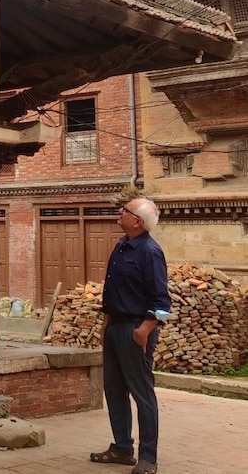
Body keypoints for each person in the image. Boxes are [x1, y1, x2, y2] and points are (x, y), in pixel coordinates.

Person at [90, 197, 170, 474]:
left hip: (136, 329)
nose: (119, 212)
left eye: (125, 211)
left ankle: (148, 458)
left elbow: (162, 304)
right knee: (113, 390)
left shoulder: (150, 252)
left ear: (138, 221)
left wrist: (144, 330)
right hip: (115, 327)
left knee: (142, 393)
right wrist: (106, 323)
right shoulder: (123, 245)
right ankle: (122, 448)